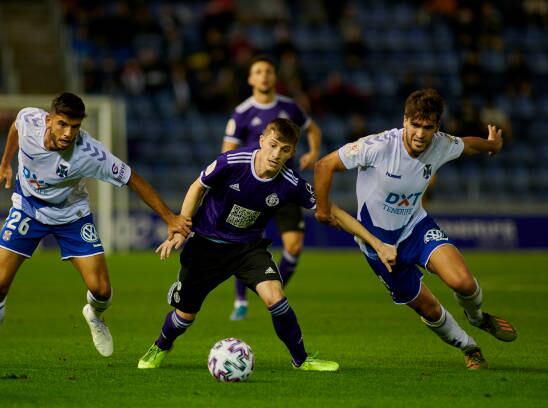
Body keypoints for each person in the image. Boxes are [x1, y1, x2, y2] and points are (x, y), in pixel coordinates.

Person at [136, 118, 395, 371]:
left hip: (248, 249)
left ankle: (301, 359)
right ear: (261, 141)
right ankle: (160, 346)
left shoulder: (291, 183)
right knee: (185, 316)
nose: (276, 153)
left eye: (284, 149)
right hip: (206, 245)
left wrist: (376, 242)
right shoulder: (232, 162)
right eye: (272, 145)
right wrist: (182, 227)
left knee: (276, 297)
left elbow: (332, 210)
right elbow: (197, 187)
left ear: (292, 152)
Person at [0, 92, 191, 369]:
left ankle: (94, 315)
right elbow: (15, 126)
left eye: (75, 127)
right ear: (48, 120)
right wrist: (5, 164)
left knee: (102, 290)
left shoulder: (90, 153)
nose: (68, 133)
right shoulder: (29, 119)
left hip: (71, 215)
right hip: (27, 208)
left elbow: (133, 178)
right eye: (62, 124)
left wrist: (169, 217)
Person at [313, 88, 517, 370]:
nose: (421, 134)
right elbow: (324, 165)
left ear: (437, 127)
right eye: (415, 125)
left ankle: (478, 317)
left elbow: (467, 145)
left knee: (463, 283)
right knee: (429, 309)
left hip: (415, 227)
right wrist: (323, 210)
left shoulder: (441, 144)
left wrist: (491, 145)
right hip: (378, 245)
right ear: (405, 121)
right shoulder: (378, 146)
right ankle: (469, 347)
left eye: (428, 127)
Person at [222, 55, 322, 320]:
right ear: (251, 79)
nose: (264, 75)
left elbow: (313, 130)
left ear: (274, 77)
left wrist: (313, 152)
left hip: (286, 188)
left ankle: (273, 293)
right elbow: (227, 152)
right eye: (258, 71)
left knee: (295, 246)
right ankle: (240, 301)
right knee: (245, 245)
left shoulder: (291, 108)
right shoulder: (242, 113)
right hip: (252, 190)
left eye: (268, 71)